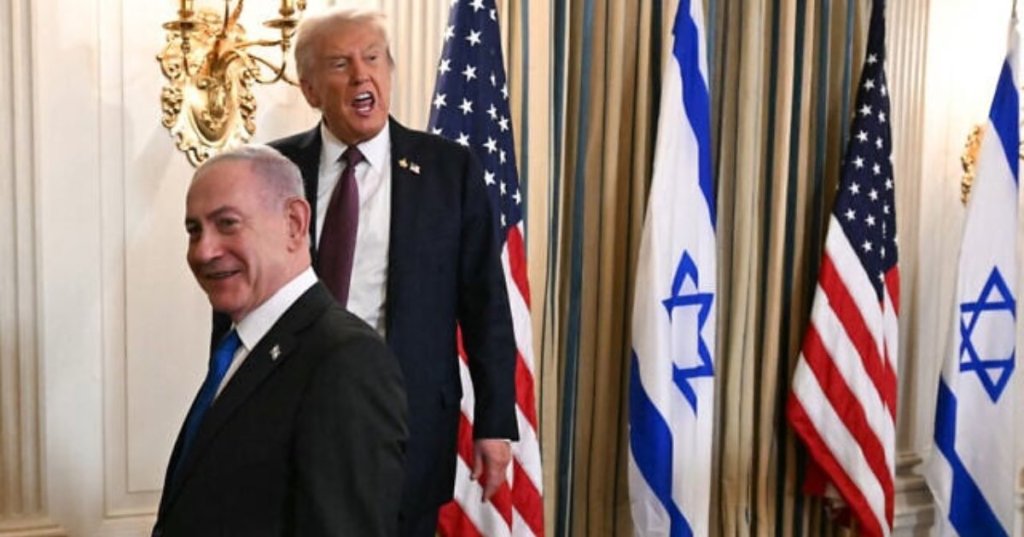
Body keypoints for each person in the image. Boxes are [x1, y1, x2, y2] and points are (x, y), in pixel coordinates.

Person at [268, 7, 519, 535]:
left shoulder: (450, 169)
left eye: (374, 58)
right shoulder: (274, 171)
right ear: (310, 89)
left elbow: (485, 304)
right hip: (296, 412)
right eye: (341, 64)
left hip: (406, 417)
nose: (362, 75)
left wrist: (495, 424)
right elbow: (243, 301)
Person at [153, 145, 407, 536]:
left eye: (227, 223)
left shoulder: (346, 361)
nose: (204, 251)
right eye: (194, 230)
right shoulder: (240, 347)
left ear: (294, 223)